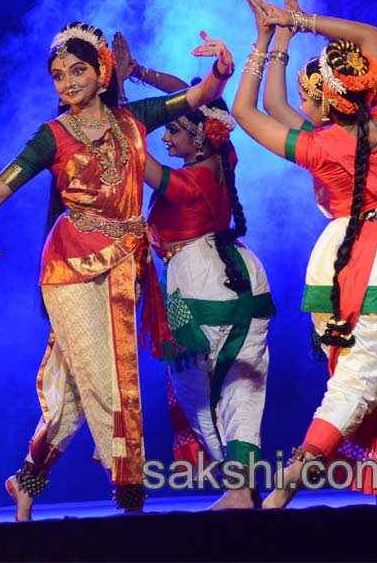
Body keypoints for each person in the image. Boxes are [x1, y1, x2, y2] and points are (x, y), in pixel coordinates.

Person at [0, 21, 233, 521]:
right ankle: (130, 498)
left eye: (77, 71)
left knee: (73, 397)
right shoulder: (52, 137)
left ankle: (25, 483)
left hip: (125, 264)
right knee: (111, 381)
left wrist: (221, 69)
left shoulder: (134, 120)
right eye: (57, 75)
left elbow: (200, 96)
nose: (66, 83)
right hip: (70, 267)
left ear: (101, 71)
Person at [233, 0, 377, 506]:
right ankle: (305, 489)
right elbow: (371, 37)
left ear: (324, 103)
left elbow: (251, 110)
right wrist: (297, 22)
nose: (300, 104)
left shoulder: (322, 147)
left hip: (340, 256)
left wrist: (271, 34)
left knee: (361, 375)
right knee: (374, 375)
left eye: (308, 96)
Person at [115, 33, 275, 509]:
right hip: (245, 276)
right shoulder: (223, 156)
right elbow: (196, 97)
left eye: (174, 131)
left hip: (198, 281)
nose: (166, 135)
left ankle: (237, 485)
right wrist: (141, 72)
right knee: (243, 387)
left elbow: (133, 154)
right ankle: (242, 487)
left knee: (195, 395)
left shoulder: (186, 182)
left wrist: (121, 103)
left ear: (199, 133)